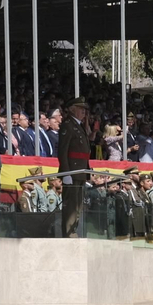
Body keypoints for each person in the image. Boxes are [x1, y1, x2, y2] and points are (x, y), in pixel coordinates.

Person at [57, 98, 91, 236]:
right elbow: (63, 151)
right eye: (80, 108)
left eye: (84, 108)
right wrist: (66, 173)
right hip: (72, 171)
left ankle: (73, 230)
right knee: (71, 205)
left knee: (78, 206)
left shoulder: (78, 126)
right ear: (72, 109)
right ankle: (69, 232)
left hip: (80, 172)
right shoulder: (68, 126)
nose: (83, 111)